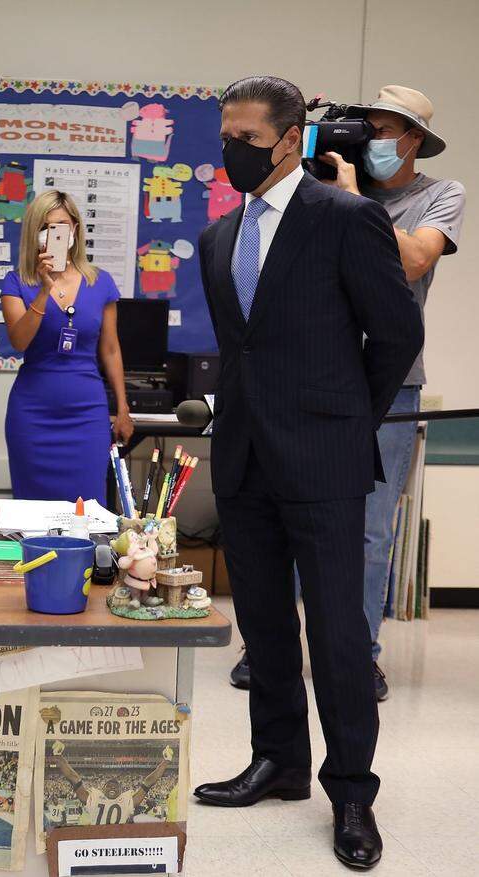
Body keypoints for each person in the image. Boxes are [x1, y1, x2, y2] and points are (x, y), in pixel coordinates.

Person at [194, 75, 422, 871]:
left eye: (247, 139)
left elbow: (396, 332)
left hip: (324, 458)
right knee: (263, 627)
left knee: (337, 634)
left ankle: (352, 789)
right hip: (246, 457)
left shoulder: (346, 218)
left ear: (290, 139)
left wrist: (351, 417)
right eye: (225, 134)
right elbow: (243, 347)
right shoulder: (217, 238)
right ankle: (279, 760)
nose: (232, 150)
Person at [230, 88, 466, 700]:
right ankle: (268, 649)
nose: (366, 142)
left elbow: (413, 260)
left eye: (380, 131)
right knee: (279, 516)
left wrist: (352, 196)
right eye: (358, 130)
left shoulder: (439, 195)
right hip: (305, 380)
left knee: (368, 531)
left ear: (412, 139)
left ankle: (359, 655)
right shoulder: (308, 186)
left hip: (389, 384)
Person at [0, 190, 133, 501]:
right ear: (34, 234)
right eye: (45, 228)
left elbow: (111, 350)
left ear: (75, 228)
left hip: (87, 414)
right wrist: (44, 291)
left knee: (88, 507)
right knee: (32, 513)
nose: (54, 234)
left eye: (61, 225)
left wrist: (124, 408)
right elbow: (19, 341)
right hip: (32, 414)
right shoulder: (17, 281)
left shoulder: (101, 282)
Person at [47, 739, 170, 825]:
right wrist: (58, 756)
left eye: (116, 786)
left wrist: (165, 761)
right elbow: (73, 778)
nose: (112, 787)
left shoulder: (127, 801)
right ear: (102, 789)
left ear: (122, 791)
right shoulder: (94, 799)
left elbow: (148, 782)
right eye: (109, 785)